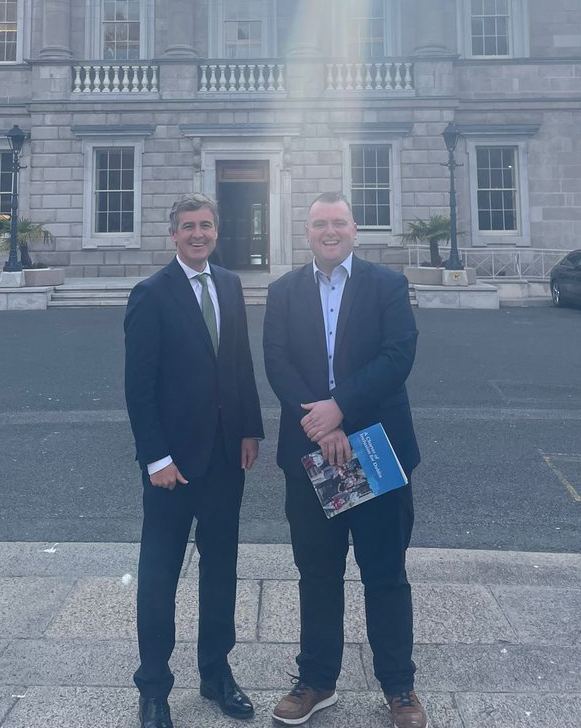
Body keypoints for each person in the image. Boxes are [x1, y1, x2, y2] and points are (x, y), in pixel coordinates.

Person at [263, 193, 425, 728]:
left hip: (374, 447)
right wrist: (320, 422)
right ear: (305, 232)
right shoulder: (284, 291)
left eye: (338, 222)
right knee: (318, 572)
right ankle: (316, 681)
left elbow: (397, 356)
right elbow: (278, 362)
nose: (328, 231)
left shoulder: (387, 285)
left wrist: (341, 411)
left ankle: (399, 688)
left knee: (385, 572)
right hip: (313, 451)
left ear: (355, 229)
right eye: (318, 224)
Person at [124, 194, 264, 728]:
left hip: (226, 458)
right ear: (173, 235)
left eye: (206, 225)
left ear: (216, 231)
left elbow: (240, 364)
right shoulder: (151, 294)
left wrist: (250, 428)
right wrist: (155, 458)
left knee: (221, 570)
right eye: (188, 227)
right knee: (159, 575)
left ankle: (216, 671)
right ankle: (154, 685)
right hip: (172, 468)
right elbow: (139, 388)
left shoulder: (228, 284)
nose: (198, 234)